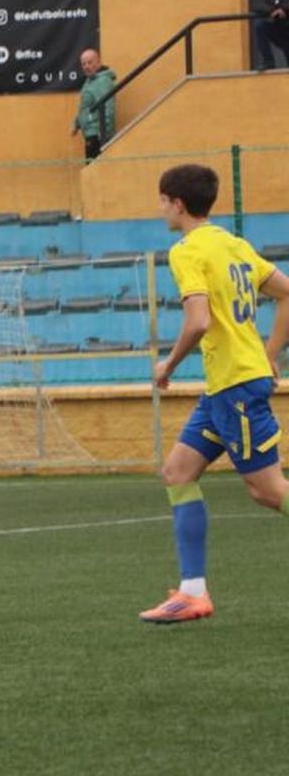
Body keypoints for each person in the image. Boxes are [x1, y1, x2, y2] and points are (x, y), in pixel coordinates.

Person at [141, 163, 289, 623]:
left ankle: (193, 592)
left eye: (162, 201)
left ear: (177, 204)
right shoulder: (233, 244)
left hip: (235, 387)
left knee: (268, 491)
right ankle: (193, 593)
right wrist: (270, 352)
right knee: (177, 472)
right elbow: (287, 293)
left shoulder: (187, 250)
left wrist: (167, 365)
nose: (160, 209)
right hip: (227, 386)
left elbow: (199, 321)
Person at [73, 48, 117, 160]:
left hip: (98, 135)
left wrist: (103, 134)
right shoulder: (89, 81)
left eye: (90, 62)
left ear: (98, 62)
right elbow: (85, 107)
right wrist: (76, 124)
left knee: (95, 167)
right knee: (91, 167)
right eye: (83, 64)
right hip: (90, 134)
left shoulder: (103, 82)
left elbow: (109, 109)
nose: (86, 66)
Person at [252, 0, 289, 71]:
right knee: (260, 25)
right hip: (281, 33)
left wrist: (284, 10)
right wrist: (272, 11)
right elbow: (259, 7)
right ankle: (268, 62)